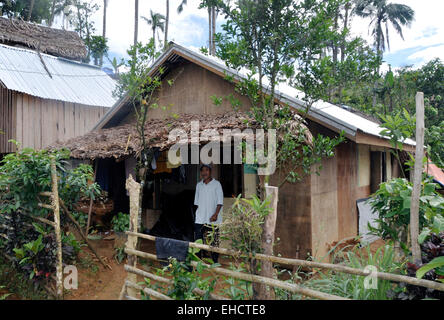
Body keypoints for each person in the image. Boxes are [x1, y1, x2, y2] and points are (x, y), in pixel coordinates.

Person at [194, 164, 223, 263]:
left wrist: (215, 214)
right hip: (200, 218)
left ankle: (215, 261)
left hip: (213, 218)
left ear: (210, 172)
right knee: (198, 240)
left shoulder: (217, 184)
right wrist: (199, 214)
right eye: (202, 171)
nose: (204, 172)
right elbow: (196, 203)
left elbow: (220, 202)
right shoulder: (199, 185)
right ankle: (198, 261)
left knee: (214, 241)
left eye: (206, 170)